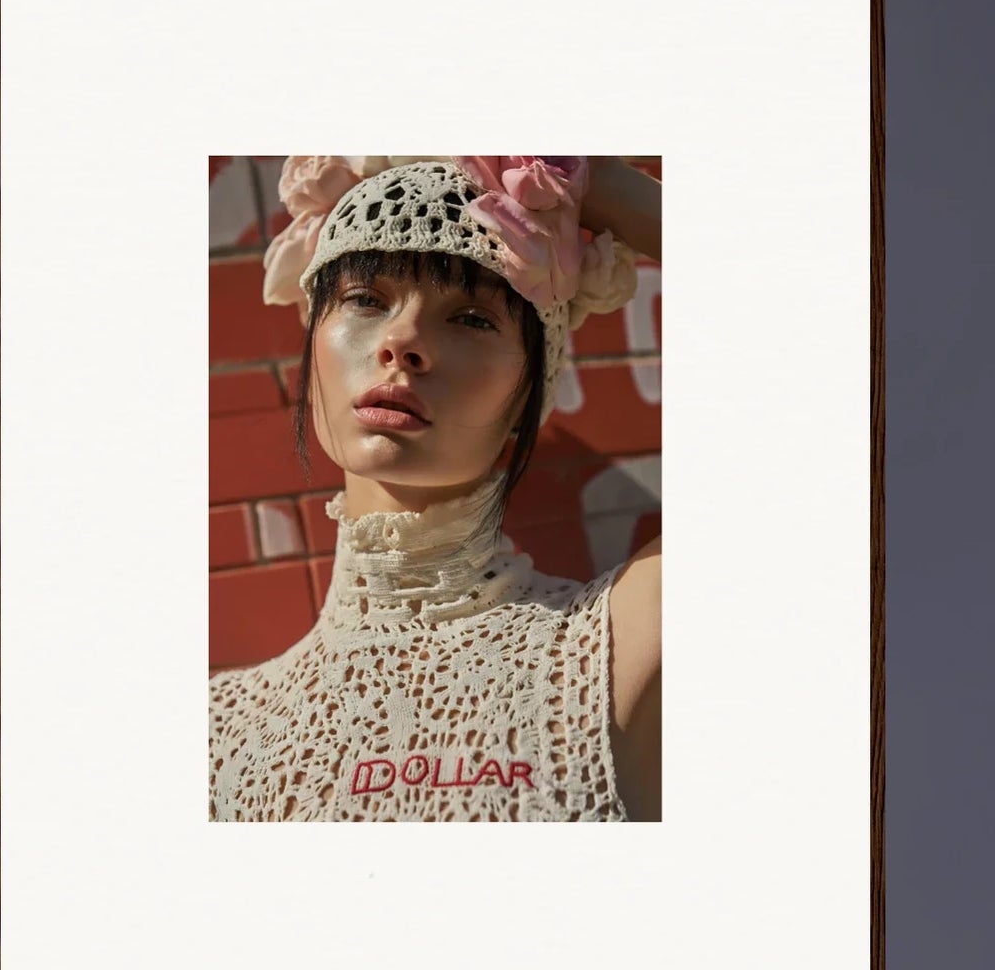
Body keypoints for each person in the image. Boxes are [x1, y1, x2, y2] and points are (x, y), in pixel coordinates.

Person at [208, 155, 662, 823]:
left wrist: (583, 173)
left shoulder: (614, 650)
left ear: (527, 396)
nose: (403, 341)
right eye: (365, 299)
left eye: (474, 317)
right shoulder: (219, 732)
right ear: (313, 352)